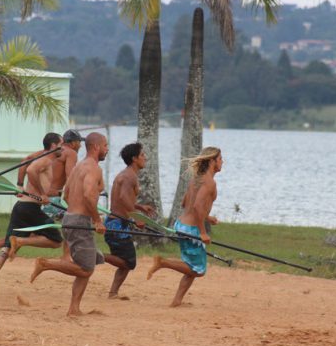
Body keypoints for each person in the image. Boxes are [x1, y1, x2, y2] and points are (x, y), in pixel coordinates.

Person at [30, 132, 108, 316]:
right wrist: (97, 220)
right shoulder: (93, 168)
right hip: (79, 221)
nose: (107, 149)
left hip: (71, 219)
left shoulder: (79, 167)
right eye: (105, 146)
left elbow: (66, 195)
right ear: (96, 147)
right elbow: (89, 195)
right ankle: (45, 264)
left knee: (89, 263)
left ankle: (74, 308)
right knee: (86, 268)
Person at [0, 129, 83, 259]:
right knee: (69, 223)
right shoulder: (71, 153)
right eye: (79, 142)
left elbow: (25, 161)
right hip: (52, 199)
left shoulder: (44, 153)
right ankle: (66, 256)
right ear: (72, 143)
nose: (81, 146)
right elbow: (71, 177)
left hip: (41, 197)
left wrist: (20, 185)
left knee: (33, 230)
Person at [0, 133, 64, 295]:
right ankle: (20, 241)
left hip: (21, 207)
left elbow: (27, 164)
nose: (64, 147)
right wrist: (41, 194)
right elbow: (31, 170)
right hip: (30, 209)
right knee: (56, 241)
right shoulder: (45, 160)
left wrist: (24, 187)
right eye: (62, 144)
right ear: (53, 146)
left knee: (6, 247)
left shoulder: (43, 157)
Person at [147, 147, 223, 307]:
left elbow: (185, 204)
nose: (222, 162)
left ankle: (176, 301)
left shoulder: (196, 179)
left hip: (182, 225)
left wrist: (208, 218)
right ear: (212, 161)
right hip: (191, 230)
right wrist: (203, 232)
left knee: (192, 267)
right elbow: (195, 207)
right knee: (198, 270)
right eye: (220, 159)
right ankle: (162, 263)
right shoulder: (209, 182)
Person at [103, 143, 154, 299]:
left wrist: (139, 207)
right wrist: (136, 218)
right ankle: (96, 255)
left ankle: (113, 293)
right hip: (116, 224)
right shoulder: (129, 176)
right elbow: (123, 198)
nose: (145, 157)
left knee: (125, 262)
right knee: (129, 262)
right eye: (142, 155)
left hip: (118, 223)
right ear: (134, 158)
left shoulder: (127, 174)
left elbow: (124, 198)